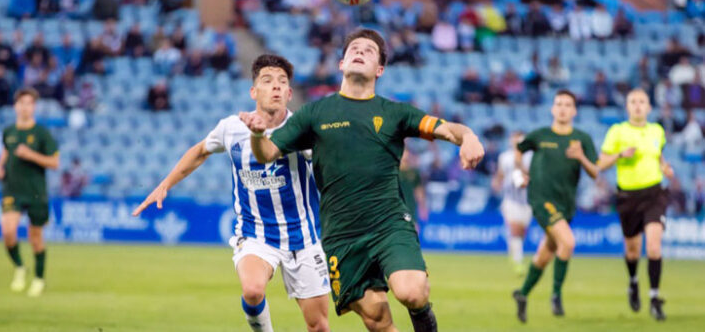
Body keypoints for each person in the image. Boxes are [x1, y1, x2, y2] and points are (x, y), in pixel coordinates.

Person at [240, 29, 485, 332]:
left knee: (410, 291)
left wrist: (469, 137)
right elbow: (266, 153)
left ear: (379, 69)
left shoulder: (394, 113)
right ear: (341, 63)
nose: (360, 51)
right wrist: (256, 133)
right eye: (354, 48)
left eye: (369, 51)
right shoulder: (315, 113)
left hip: (388, 223)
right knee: (377, 319)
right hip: (341, 236)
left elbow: (448, 129)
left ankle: (425, 319)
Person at [132, 55, 330, 332]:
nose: (275, 87)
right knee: (252, 290)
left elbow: (331, 170)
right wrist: (165, 183)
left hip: (304, 237)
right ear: (253, 91)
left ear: (289, 93)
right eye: (267, 80)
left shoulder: (303, 131)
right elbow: (200, 151)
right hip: (255, 233)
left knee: (319, 326)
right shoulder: (232, 128)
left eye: (282, 82)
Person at [512, 90, 598, 323]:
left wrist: (580, 157)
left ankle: (522, 293)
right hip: (541, 198)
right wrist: (520, 171)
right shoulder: (540, 135)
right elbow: (518, 148)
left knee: (546, 253)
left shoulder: (582, 139)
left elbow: (595, 172)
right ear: (552, 108)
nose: (562, 108)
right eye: (558, 104)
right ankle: (556, 296)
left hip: (566, 203)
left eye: (567, 104)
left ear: (574, 110)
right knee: (568, 242)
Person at [597, 89, 674, 320]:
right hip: (628, 197)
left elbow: (658, 155)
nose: (638, 105)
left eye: (642, 101)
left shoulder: (657, 131)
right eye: (633, 101)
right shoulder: (617, 131)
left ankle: (654, 298)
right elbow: (600, 164)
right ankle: (633, 282)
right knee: (632, 250)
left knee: (653, 246)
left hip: (654, 194)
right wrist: (620, 155)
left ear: (649, 107)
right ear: (627, 107)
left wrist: (665, 167)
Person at [0, 88, 60, 297]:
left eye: (29, 103)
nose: (25, 107)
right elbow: (6, 151)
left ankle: (39, 279)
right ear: (15, 106)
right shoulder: (9, 132)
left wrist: (30, 154)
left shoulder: (42, 133)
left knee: (36, 238)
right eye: (22, 103)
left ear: (34, 107)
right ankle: (20, 267)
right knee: (7, 231)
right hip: (12, 189)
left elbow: (55, 162)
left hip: (36, 192)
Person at [491, 131, 532, 276]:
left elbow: (529, 175)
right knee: (515, 228)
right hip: (510, 199)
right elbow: (501, 173)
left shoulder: (530, 157)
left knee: (521, 232)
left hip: (527, 200)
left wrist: (519, 162)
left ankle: (515, 252)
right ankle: (518, 262)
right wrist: (496, 182)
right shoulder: (505, 157)